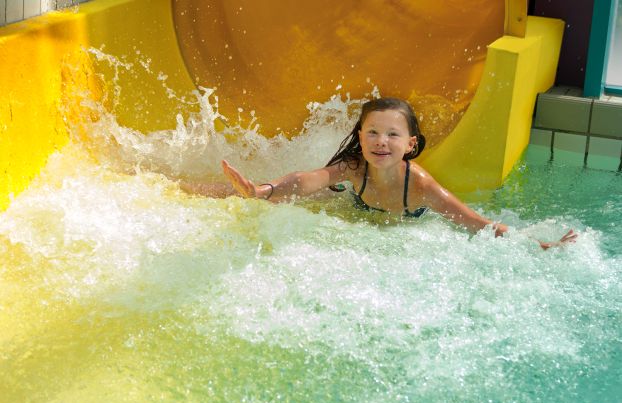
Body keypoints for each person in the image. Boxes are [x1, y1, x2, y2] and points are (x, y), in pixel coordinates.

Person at [190, 97, 576, 249]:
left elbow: (476, 223)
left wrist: (534, 244)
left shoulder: (420, 186)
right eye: (372, 132)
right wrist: (263, 189)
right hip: (353, 207)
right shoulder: (355, 168)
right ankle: (193, 189)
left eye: (393, 134)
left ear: (410, 144)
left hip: (406, 223)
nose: (381, 141)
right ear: (360, 136)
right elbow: (309, 179)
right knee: (275, 199)